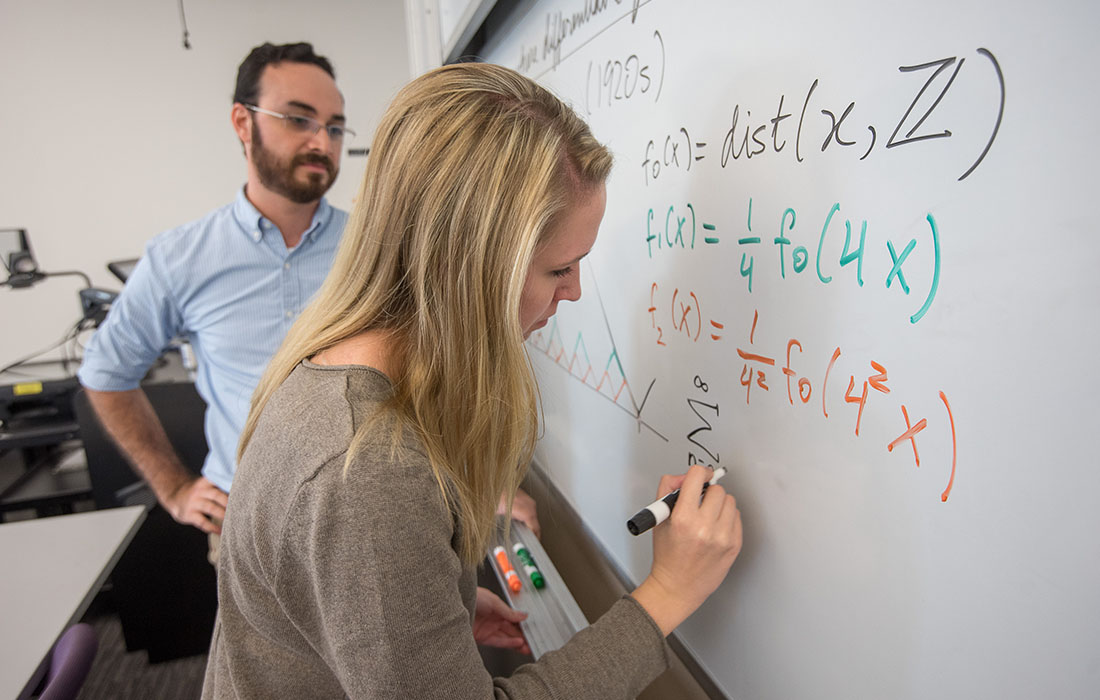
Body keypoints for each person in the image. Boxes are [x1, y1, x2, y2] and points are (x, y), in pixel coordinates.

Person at [202, 62, 743, 699]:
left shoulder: (335, 370)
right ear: (470, 268)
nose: (572, 293)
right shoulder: (368, 468)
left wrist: (431, 614)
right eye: (559, 268)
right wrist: (668, 594)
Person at [77, 42, 350, 543]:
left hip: (365, 513)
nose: (322, 142)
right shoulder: (179, 257)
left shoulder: (373, 247)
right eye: (299, 119)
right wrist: (175, 487)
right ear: (243, 124)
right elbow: (104, 373)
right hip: (246, 527)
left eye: (335, 127)